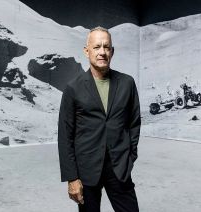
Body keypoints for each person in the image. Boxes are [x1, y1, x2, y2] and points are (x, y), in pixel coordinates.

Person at [58, 26, 141, 212]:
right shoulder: (73, 88)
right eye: (96, 47)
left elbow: (134, 123)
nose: (102, 52)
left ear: (112, 51)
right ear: (86, 51)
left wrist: (130, 156)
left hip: (119, 168)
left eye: (106, 47)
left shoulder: (127, 83)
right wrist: (72, 178)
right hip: (86, 170)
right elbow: (65, 136)